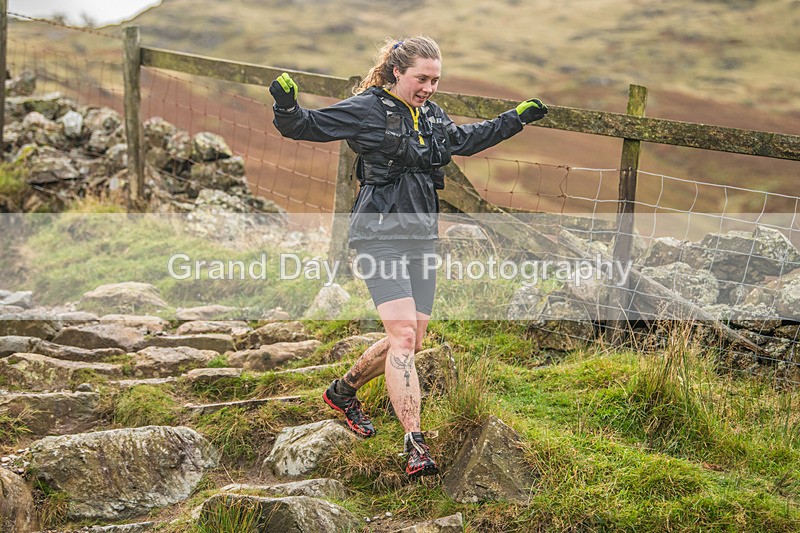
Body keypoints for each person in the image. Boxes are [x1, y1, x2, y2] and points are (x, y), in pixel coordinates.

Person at [269, 36, 548, 478]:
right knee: (401, 337)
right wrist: (286, 106)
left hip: (421, 238)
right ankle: (415, 444)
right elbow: (307, 126)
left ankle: (343, 391)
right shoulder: (367, 108)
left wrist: (515, 119)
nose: (429, 88)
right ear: (397, 72)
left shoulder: (432, 115)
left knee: (413, 340)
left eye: (435, 80)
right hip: (378, 235)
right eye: (422, 78)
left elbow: (466, 140)